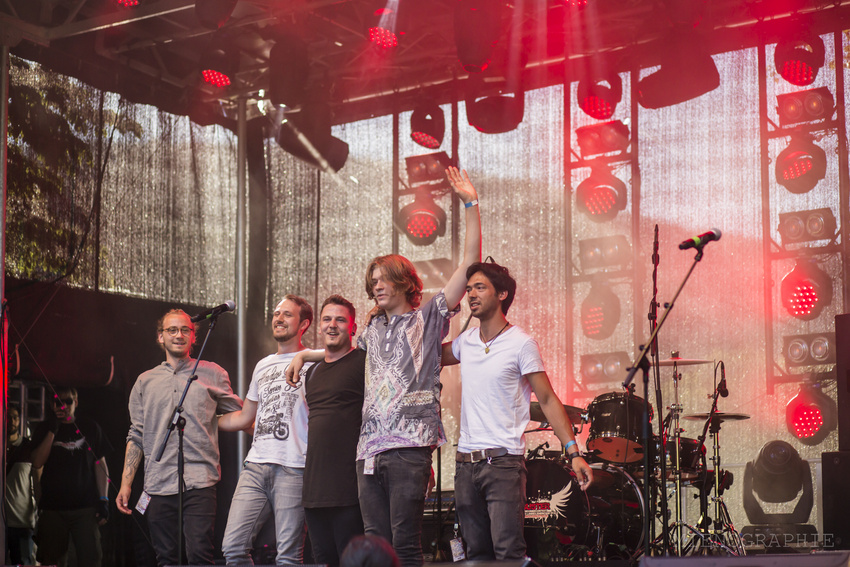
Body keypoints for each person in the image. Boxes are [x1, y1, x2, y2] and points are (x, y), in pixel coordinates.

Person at [288, 166, 481, 566]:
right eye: (373, 279)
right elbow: (336, 351)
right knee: (375, 544)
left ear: (404, 282)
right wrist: (302, 354)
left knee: (406, 543)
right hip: (369, 450)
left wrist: (471, 204)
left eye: (385, 278)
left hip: (409, 447)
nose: (377, 284)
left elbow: (468, 267)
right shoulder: (372, 327)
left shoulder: (426, 318)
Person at [441, 261, 594, 560]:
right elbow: (423, 354)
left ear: (502, 294)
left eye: (479, 287)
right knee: (475, 556)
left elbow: (548, 400)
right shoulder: (466, 342)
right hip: (464, 465)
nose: (471, 294)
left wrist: (574, 453)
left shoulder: (521, 344)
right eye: (468, 288)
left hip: (502, 465)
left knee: (508, 553)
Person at [116, 309, 243, 567]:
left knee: (199, 555)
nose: (179, 335)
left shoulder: (213, 373)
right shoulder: (144, 382)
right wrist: (126, 483)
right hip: (158, 483)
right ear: (160, 337)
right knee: (166, 559)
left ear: (194, 337)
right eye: (172, 330)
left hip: (200, 482)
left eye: (185, 330)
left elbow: (241, 415)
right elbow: (136, 435)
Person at [218, 295, 314, 565]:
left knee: (288, 558)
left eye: (287, 314)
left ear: (304, 323)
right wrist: (207, 421)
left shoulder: (315, 361)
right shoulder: (262, 365)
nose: (278, 318)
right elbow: (246, 418)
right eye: (276, 313)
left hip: (294, 467)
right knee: (233, 549)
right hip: (255, 467)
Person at [302, 295, 366, 565]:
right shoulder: (311, 372)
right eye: (327, 319)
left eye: (340, 319)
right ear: (319, 326)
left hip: (348, 489)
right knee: (324, 560)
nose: (332, 325)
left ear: (352, 327)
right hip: (314, 492)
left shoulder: (364, 362)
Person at [30, 386, 111, 567]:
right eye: (58, 402)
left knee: (91, 558)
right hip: (53, 508)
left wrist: (104, 499)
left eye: (67, 401)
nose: (63, 406)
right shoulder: (45, 428)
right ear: (52, 404)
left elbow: (100, 463)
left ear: (75, 402)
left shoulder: (90, 427)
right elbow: (37, 462)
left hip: (85, 508)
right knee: (52, 561)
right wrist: (53, 430)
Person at [5, 405, 38, 565]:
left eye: (15, 417)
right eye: (8, 416)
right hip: (2, 522)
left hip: (21, 521)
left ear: (19, 421)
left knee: (24, 561)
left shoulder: (27, 447)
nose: (11, 421)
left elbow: (37, 482)